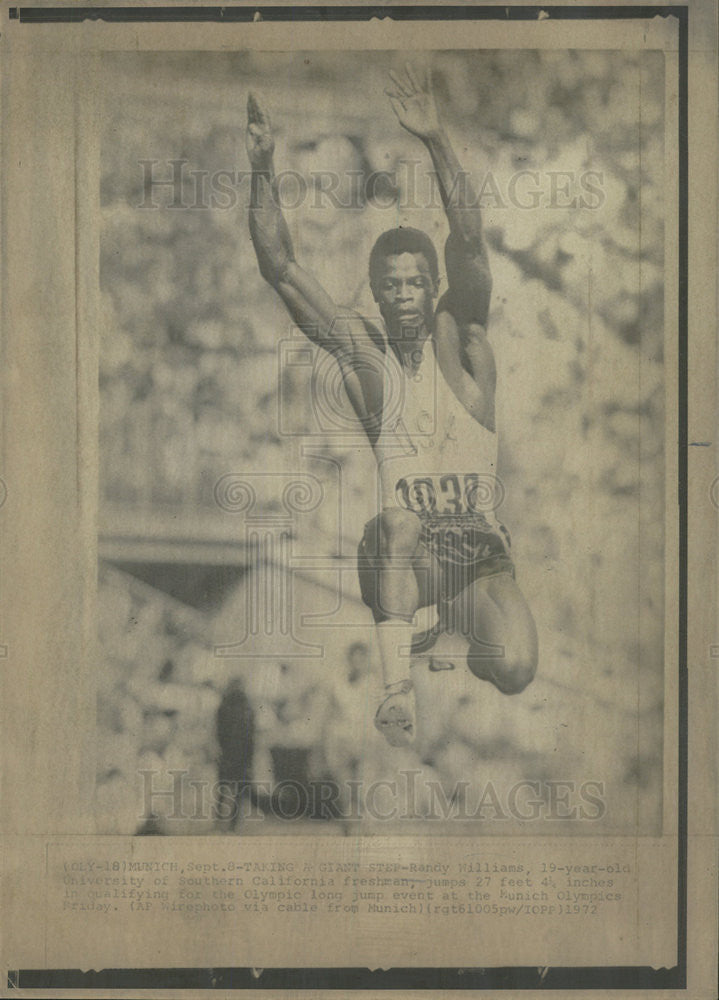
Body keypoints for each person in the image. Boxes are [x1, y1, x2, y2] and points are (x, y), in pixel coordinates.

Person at [246, 63, 538, 748]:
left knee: (517, 668)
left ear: (433, 286)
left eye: (415, 282)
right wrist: (261, 167)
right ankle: (395, 689)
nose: (404, 294)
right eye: (390, 285)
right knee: (401, 522)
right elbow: (279, 266)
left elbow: (468, 240)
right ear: (375, 294)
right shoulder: (366, 363)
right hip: (399, 554)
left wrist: (435, 138)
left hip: (473, 557)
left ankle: (444, 627)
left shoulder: (468, 351)